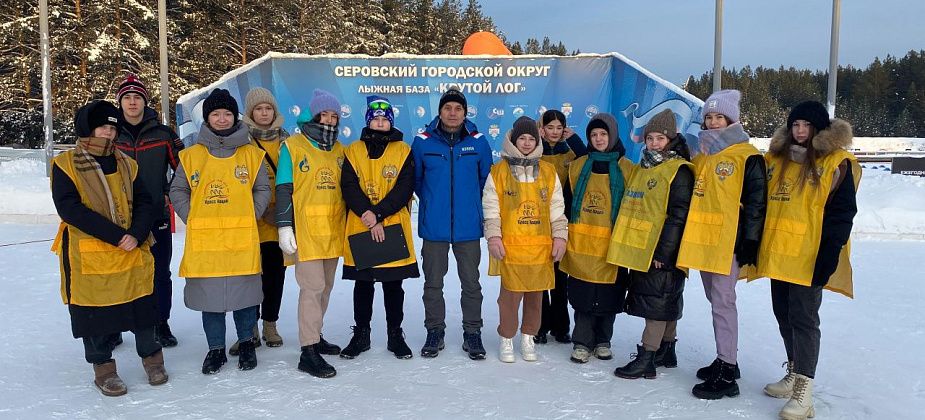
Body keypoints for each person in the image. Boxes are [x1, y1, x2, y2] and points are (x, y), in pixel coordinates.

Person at [51, 100, 167, 396]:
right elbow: (71, 209)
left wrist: (137, 234)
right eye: (103, 126)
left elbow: (146, 201)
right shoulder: (65, 165)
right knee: (95, 314)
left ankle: (153, 360)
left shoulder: (127, 163)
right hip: (92, 253)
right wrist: (117, 236)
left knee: (143, 307)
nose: (109, 133)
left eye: (113, 128)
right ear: (88, 128)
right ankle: (103, 369)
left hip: (131, 249)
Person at [758, 101, 859, 420]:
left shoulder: (835, 162)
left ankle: (805, 391)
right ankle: (793, 369)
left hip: (810, 258)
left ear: (820, 129)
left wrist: (829, 256)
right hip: (780, 255)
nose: (800, 132)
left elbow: (842, 214)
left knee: (804, 320)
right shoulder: (779, 159)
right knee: (783, 315)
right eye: (795, 125)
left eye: (806, 126)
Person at [169, 88, 271, 374]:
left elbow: (263, 188)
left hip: (242, 240)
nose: (222, 119)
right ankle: (215, 349)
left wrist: (252, 212)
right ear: (207, 118)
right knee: (210, 301)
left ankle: (246, 344)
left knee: (245, 298)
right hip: (206, 244)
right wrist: (195, 216)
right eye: (216, 114)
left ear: (235, 117)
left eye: (227, 113)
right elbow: (177, 190)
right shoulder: (191, 156)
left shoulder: (252, 155)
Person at [677, 90, 767, 400]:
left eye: (719, 117)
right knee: (716, 302)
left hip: (728, 243)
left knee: (724, 303)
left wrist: (751, 240)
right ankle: (725, 358)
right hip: (703, 242)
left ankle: (728, 369)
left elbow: (756, 203)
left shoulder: (747, 155)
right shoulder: (703, 154)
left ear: (732, 119)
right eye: (709, 117)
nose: (714, 122)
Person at [608, 109, 694, 380]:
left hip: (661, 250)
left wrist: (664, 251)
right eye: (650, 138)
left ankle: (647, 356)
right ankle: (667, 349)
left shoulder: (678, 170)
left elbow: (678, 215)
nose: (654, 143)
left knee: (657, 302)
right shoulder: (645, 166)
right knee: (665, 298)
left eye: (660, 138)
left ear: (672, 139)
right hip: (644, 247)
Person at [412, 87, 494, 360]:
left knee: (471, 283)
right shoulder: (423, 142)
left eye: (458, 108)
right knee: (433, 283)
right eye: (448, 108)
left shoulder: (478, 142)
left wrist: (469, 207)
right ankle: (434, 330)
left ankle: (473, 333)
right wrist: (434, 204)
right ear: (440, 111)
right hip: (434, 227)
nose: (453, 113)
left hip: (468, 227)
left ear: (465, 112)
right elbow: (417, 181)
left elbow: (486, 181)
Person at [339, 95, 420, 361]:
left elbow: (404, 188)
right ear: (368, 121)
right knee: (363, 284)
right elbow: (349, 186)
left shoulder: (404, 150)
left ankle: (395, 334)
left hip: (391, 224)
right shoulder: (353, 150)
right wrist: (368, 214)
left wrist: (379, 214)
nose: (381, 123)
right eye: (376, 119)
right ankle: (361, 333)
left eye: (385, 119)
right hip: (362, 224)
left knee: (393, 284)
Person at [482, 116, 567, 362]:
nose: (527, 143)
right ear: (514, 140)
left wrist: (560, 237)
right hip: (511, 247)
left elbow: (556, 208)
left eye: (532, 139)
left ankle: (529, 337)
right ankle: (507, 338)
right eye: (523, 138)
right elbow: (491, 208)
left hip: (540, 248)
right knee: (509, 298)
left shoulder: (549, 172)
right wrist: (494, 237)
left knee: (535, 298)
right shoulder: (498, 172)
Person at [275, 88, 346, 377]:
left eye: (334, 116)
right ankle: (307, 350)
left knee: (325, 289)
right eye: (324, 115)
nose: (329, 120)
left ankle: (315, 336)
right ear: (314, 115)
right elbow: (283, 188)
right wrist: (283, 225)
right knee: (312, 289)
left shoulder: (340, 149)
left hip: (332, 231)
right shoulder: (292, 146)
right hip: (305, 232)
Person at [114, 74, 183, 348]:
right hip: (118, 218)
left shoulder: (163, 133)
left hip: (157, 216)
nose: (132, 103)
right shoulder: (110, 132)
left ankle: (160, 322)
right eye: (127, 98)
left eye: (137, 97)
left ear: (145, 101)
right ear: (120, 102)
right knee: (118, 273)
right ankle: (115, 324)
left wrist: (167, 192)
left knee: (159, 272)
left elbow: (184, 169)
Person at [559, 113, 630, 363]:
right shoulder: (578, 166)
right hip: (582, 243)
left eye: (603, 134)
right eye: (593, 135)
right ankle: (581, 341)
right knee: (584, 295)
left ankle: (603, 340)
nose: (598, 139)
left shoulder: (626, 168)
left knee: (609, 295)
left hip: (613, 244)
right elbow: (567, 205)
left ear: (612, 136)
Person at [231, 87, 289, 355]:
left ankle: (270, 324)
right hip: (252, 221)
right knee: (249, 278)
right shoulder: (241, 141)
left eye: (268, 109)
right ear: (250, 113)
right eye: (258, 109)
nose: (264, 113)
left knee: (275, 276)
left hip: (280, 223)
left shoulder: (287, 140)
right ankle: (249, 328)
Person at [536, 109, 588, 344]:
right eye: (550, 127)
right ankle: (539, 325)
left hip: (562, 220)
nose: (555, 132)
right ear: (542, 129)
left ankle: (560, 326)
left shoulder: (570, 151)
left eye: (559, 127)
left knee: (559, 277)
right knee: (539, 276)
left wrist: (574, 139)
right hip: (536, 221)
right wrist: (536, 140)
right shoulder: (535, 151)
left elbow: (588, 159)